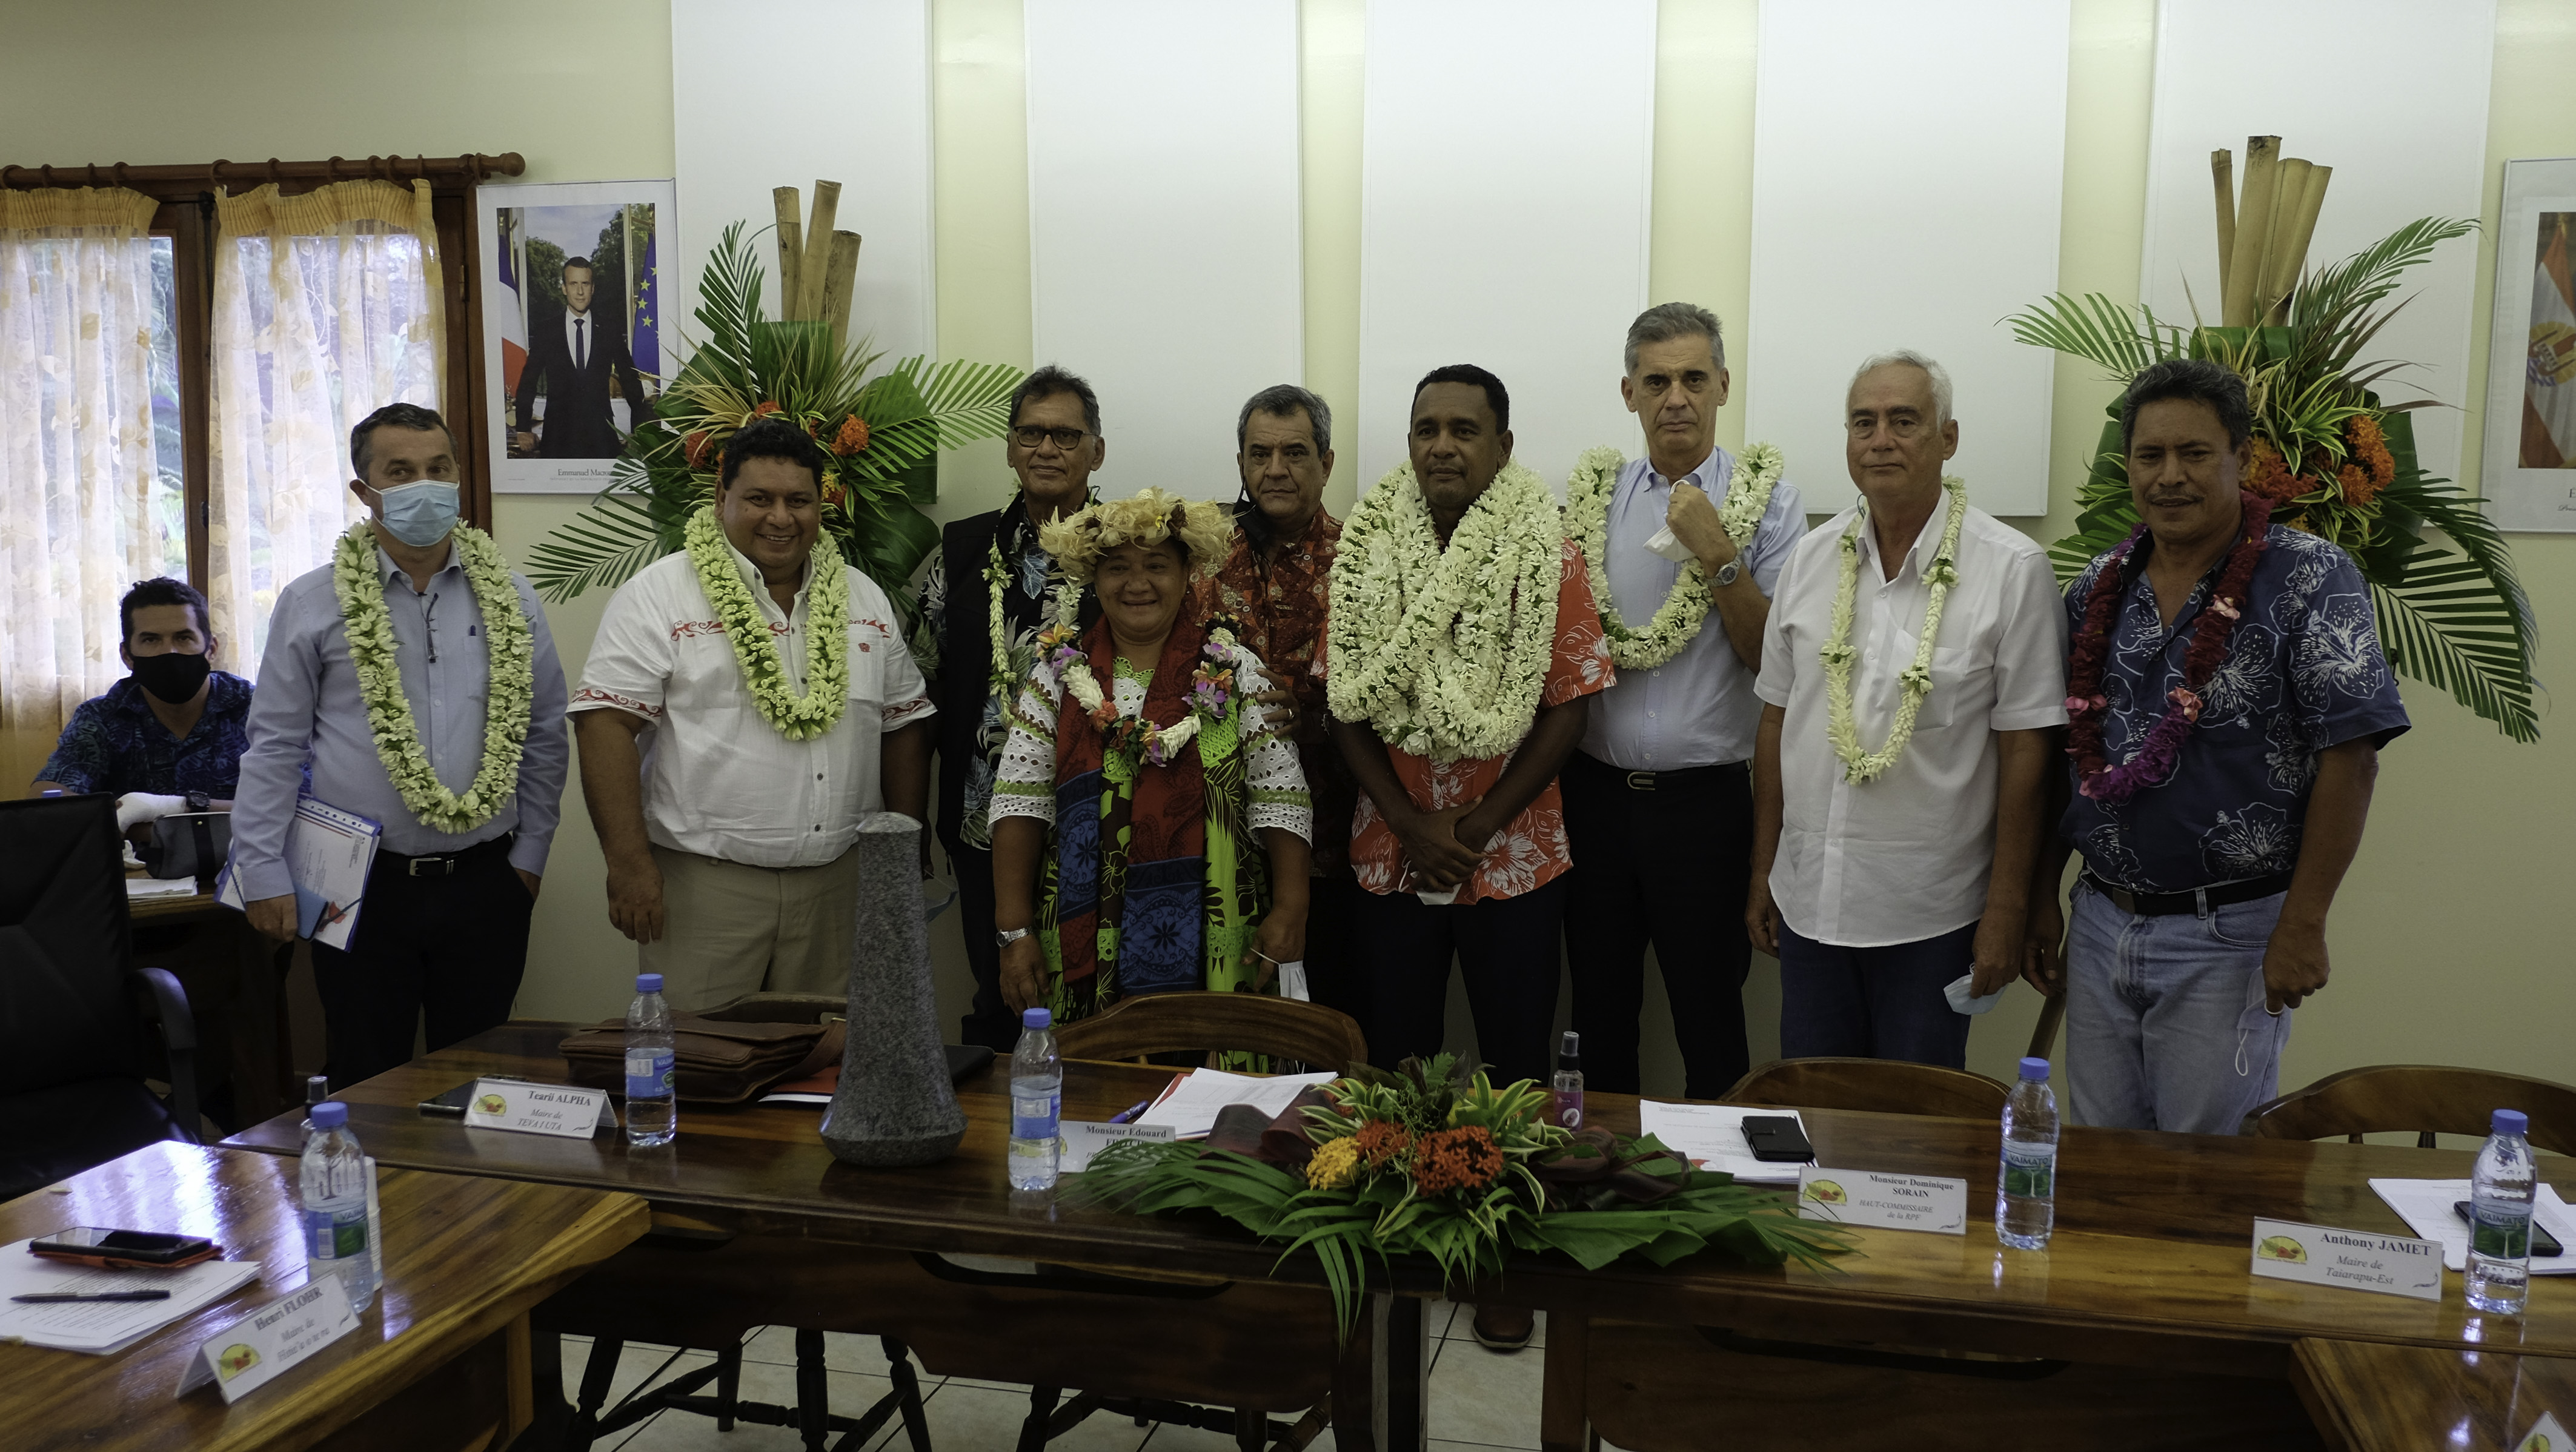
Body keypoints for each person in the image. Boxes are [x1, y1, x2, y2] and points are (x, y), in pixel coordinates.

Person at [2026, 358, 2406, 1134]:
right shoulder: (2097, 586)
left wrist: (2303, 923)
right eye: (2150, 455)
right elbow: (2064, 759)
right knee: (2102, 1162)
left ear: (2242, 456)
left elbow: (2352, 756)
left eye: (2194, 453)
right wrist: (2038, 899)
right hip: (2099, 921)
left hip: (2229, 936)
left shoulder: (2309, 577)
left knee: (2204, 1171)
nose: (2169, 475)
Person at [234, 402, 570, 1089]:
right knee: (367, 1076)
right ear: (365, 491)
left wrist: (530, 856)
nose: (426, 485)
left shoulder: (511, 596)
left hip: (486, 880)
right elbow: (274, 747)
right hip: (357, 885)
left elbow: (543, 731)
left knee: (482, 1080)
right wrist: (260, 870)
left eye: (439, 468)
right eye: (401, 471)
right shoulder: (313, 602)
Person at [1747, 351, 2065, 1070]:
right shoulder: (1809, 560)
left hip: (1933, 916)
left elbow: (2028, 751)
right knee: (1814, 1110)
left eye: (1903, 421)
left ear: (1947, 438)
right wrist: (1762, 871)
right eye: (1863, 423)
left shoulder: (2011, 570)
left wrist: (2008, 908)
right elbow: (1775, 720)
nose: (1880, 440)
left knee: (1917, 1127)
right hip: (1808, 901)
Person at [570, 418, 936, 1012]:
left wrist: (898, 855)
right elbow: (604, 723)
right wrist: (628, 865)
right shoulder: (660, 595)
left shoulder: (863, 599)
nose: (780, 518)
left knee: (825, 1058)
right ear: (722, 498)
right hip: (705, 892)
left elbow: (903, 725)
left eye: (799, 501)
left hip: (836, 891)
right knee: (701, 1060)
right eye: (759, 499)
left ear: (822, 505)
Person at [1327, 364, 1614, 1090]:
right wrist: (1407, 825)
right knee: (1394, 1067)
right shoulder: (1365, 553)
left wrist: (1477, 828)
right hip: (1391, 852)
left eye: (1464, 430)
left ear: (1503, 446)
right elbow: (1344, 700)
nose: (1443, 446)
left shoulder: (1549, 552)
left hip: (1514, 853)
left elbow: (1570, 705)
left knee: (1515, 1072)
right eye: (1427, 430)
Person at [1559, 303, 1806, 1098]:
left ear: (1723, 386)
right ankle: (1601, 1168)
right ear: (1628, 392)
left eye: (1694, 379)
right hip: (1594, 802)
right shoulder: (1589, 502)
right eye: (1657, 381)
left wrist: (1719, 552)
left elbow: (1772, 659)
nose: (1676, 398)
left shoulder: (1772, 502)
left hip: (1707, 810)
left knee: (1711, 1020)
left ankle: (1714, 1179)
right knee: (1598, 1016)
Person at [988, 489, 1311, 1027]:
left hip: (1216, 931)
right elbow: (1020, 802)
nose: (1137, 583)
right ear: (1095, 579)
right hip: (1083, 929)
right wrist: (1013, 930)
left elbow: (1281, 798)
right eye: (1118, 567)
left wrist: (1292, 908)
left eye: (1157, 565)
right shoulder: (1057, 676)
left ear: (1187, 575)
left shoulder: (1236, 671)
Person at [915, 365, 1105, 1049]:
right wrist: (909, 819)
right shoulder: (964, 551)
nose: (1046, 448)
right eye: (1031, 433)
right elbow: (919, 692)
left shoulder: (1129, 550)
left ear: (1097, 451)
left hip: (1099, 823)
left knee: (1098, 1007)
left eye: (1066, 435)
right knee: (1003, 1003)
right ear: (1009, 447)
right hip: (982, 824)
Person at [1194, 383, 1363, 1028]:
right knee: (1226, 1032)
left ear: (1326, 462)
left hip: (1334, 845)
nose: (1275, 470)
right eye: (1259, 454)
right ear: (1240, 461)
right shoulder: (1200, 559)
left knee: (1330, 1028)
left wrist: (1316, 722)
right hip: (1219, 845)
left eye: (1295, 453)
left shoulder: (1363, 562)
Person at [32, 577, 253, 835]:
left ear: (211, 649)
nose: (170, 651)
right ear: (127, 656)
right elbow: (48, 801)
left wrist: (172, 809)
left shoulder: (256, 709)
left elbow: (291, 809)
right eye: (151, 640)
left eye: (184, 638)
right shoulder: (102, 717)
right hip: (138, 861)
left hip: (243, 856)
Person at [511, 255, 650, 460]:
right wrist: (523, 428)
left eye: (585, 284)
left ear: (592, 288)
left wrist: (638, 430)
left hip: (602, 438)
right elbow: (528, 382)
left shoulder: (609, 329)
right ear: (564, 288)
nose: (579, 291)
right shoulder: (547, 330)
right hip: (557, 439)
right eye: (573, 284)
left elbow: (630, 380)